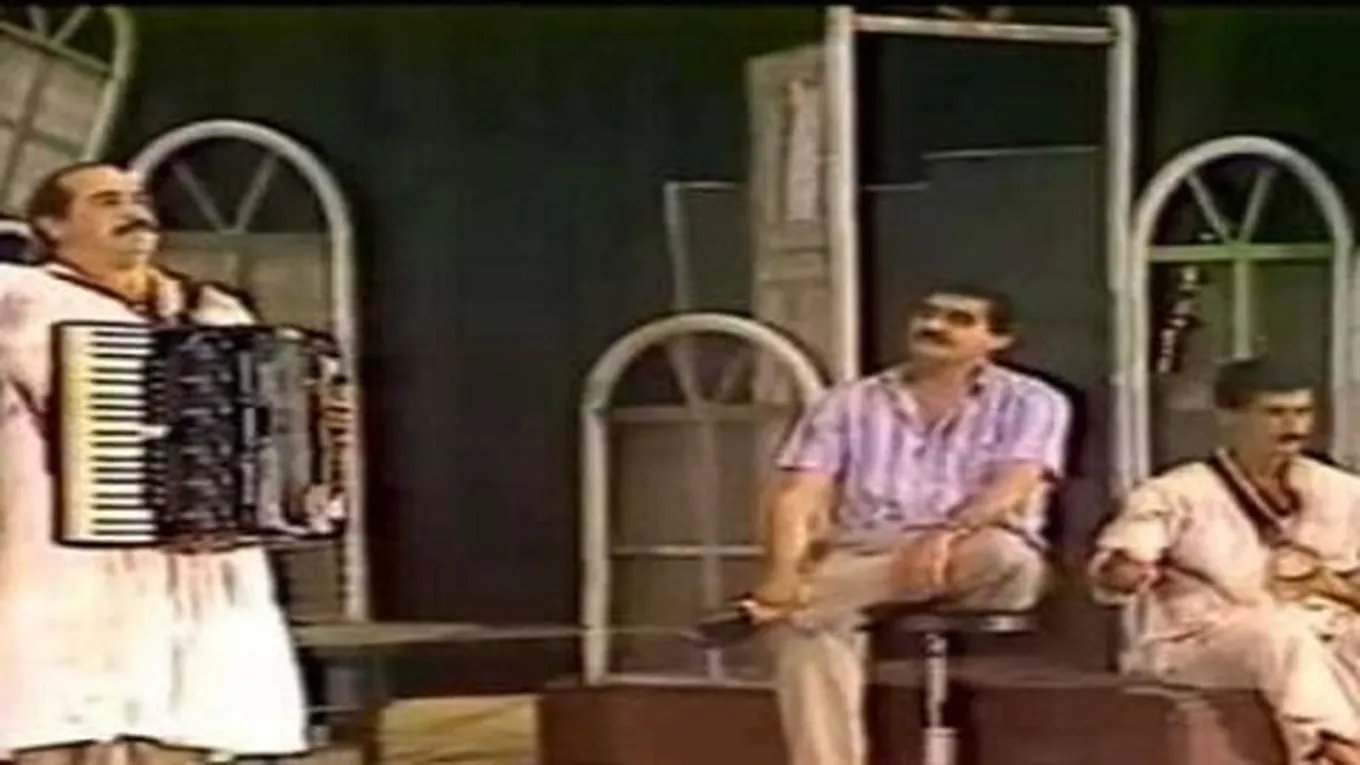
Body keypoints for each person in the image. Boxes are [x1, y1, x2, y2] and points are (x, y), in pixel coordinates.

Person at [0, 162, 344, 765]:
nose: (134, 212)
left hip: (205, 590)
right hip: (70, 579)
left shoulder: (215, 314)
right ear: (52, 226)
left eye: (138, 198)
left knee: (190, 726)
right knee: (72, 727)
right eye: (107, 201)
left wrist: (318, 431)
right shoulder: (20, 304)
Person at [744, 285, 1073, 765]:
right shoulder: (848, 402)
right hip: (870, 555)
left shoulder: (1033, 400)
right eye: (927, 314)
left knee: (1001, 555)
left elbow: (1015, 484)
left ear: (998, 340)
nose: (935, 326)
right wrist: (782, 573)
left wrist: (945, 536)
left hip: (979, 551)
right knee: (803, 629)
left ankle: (784, 605)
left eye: (959, 319)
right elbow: (798, 494)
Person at [1089, 358, 1360, 765]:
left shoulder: (1342, 490)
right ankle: (1336, 750)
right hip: (1199, 640)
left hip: (1318, 626)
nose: (1294, 427)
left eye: (1302, 412)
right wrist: (1124, 571)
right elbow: (1122, 564)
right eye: (1275, 413)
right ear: (1229, 416)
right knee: (1280, 636)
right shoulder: (1173, 493)